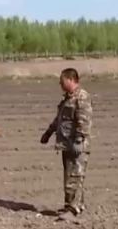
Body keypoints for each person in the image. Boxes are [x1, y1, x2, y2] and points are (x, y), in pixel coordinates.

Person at [40, 68, 93, 222]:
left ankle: (73, 210)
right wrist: (48, 133)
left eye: (62, 81)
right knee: (69, 176)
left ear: (70, 79)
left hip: (78, 146)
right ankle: (71, 205)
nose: (60, 84)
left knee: (75, 177)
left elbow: (84, 121)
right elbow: (59, 120)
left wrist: (79, 140)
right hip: (66, 144)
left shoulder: (81, 97)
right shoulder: (67, 98)